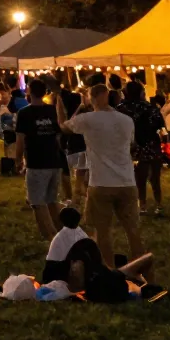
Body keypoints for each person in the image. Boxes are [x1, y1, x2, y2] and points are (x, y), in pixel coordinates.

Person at [60, 81, 144, 271]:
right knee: (133, 231)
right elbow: (131, 144)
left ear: (94, 97)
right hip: (127, 181)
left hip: (101, 183)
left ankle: (109, 270)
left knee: (102, 231)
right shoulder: (126, 120)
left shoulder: (88, 118)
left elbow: (64, 127)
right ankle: (143, 271)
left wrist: (72, 106)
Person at [12, 81, 67, 239]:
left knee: (37, 202)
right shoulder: (51, 110)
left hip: (37, 162)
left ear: (29, 92)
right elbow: (58, 134)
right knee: (51, 200)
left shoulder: (24, 113)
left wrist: (18, 160)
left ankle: (51, 235)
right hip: (54, 160)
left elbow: (20, 139)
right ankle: (63, 234)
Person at [120, 80, 165, 215]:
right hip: (151, 144)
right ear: (140, 92)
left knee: (140, 178)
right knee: (155, 177)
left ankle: (143, 205)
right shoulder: (150, 107)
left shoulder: (121, 108)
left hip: (134, 146)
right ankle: (159, 205)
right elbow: (159, 123)